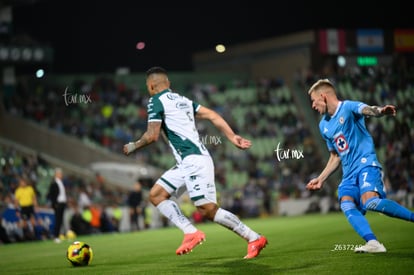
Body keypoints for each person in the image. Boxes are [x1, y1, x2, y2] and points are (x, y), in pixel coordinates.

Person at [123, 66, 267, 259]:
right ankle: (190, 232)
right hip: (187, 161)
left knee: (207, 210)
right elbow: (212, 115)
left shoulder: (155, 101)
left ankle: (253, 237)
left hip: (193, 160)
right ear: (169, 84)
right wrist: (232, 137)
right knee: (157, 195)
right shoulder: (183, 100)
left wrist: (133, 146)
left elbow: (152, 135)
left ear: (150, 86)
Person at [306, 78, 414, 253]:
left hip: (366, 165)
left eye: (313, 101)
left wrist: (380, 111)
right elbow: (335, 156)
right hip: (348, 174)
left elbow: (367, 109)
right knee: (346, 204)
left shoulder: (348, 107)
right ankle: (373, 243)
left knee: (370, 203)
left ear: (323, 97)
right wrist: (321, 179)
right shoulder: (324, 126)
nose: (312, 106)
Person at [46, 167, 67, 243]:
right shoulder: (54, 183)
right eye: (60, 173)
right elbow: (52, 195)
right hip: (58, 204)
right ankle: (56, 236)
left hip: (62, 203)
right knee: (58, 220)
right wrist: (54, 204)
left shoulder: (61, 182)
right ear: (56, 174)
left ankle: (61, 235)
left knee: (61, 220)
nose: (61, 175)